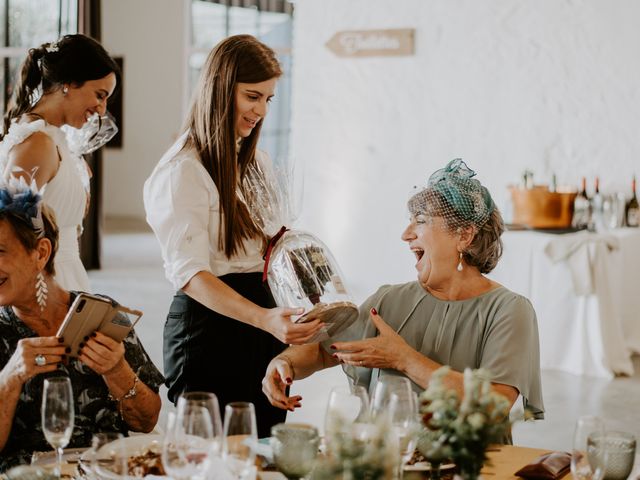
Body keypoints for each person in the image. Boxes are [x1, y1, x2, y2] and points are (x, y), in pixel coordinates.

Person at [262, 159, 545, 427]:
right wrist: (284, 362)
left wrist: (403, 358)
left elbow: (493, 407)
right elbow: (326, 350)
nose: (406, 234)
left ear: (464, 235)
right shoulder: (389, 300)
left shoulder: (510, 310)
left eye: (420, 221)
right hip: (387, 459)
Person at [143, 34, 323, 437]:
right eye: (252, 96)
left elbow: (268, 247)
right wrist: (265, 319)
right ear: (221, 89)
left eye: (268, 100)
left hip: (263, 323)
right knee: (212, 456)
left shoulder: (255, 160)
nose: (260, 111)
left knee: (262, 449)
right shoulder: (181, 172)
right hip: (210, 328)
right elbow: (190, 276)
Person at [0, 180, 164, 472]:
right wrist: (10, 380)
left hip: (105, 473)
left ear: (41, 252)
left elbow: (147, 420)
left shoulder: (105, 314)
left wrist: (118, 371)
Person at [0, 34, 120, 292]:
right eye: (99, 95)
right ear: (69, 83)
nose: (101, 109)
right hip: (46, 280)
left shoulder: (55, 139)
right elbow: (8, 230)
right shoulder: (38, 144)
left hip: (65, 270)